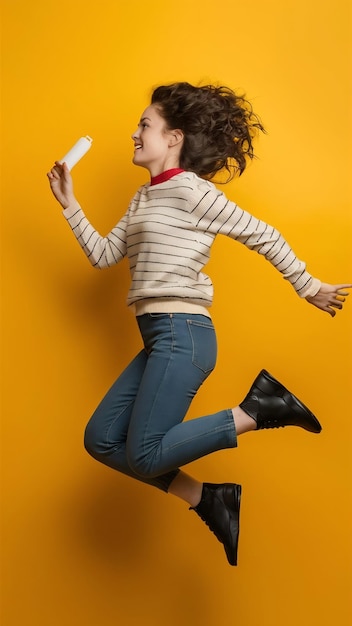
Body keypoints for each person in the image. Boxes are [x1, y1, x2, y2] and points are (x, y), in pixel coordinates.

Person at [47, 82, 351, 566]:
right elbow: (105, 255)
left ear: (175, 137)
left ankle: (258, 408)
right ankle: (209, 497)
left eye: (144, 124)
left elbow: (262, 233)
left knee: (143, 453)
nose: (134, 133)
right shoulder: (145, 197)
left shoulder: (191, 190)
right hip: (159, 339)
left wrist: (307, 284)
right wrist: (70, 203)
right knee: (102, 440)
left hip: (183, 333)